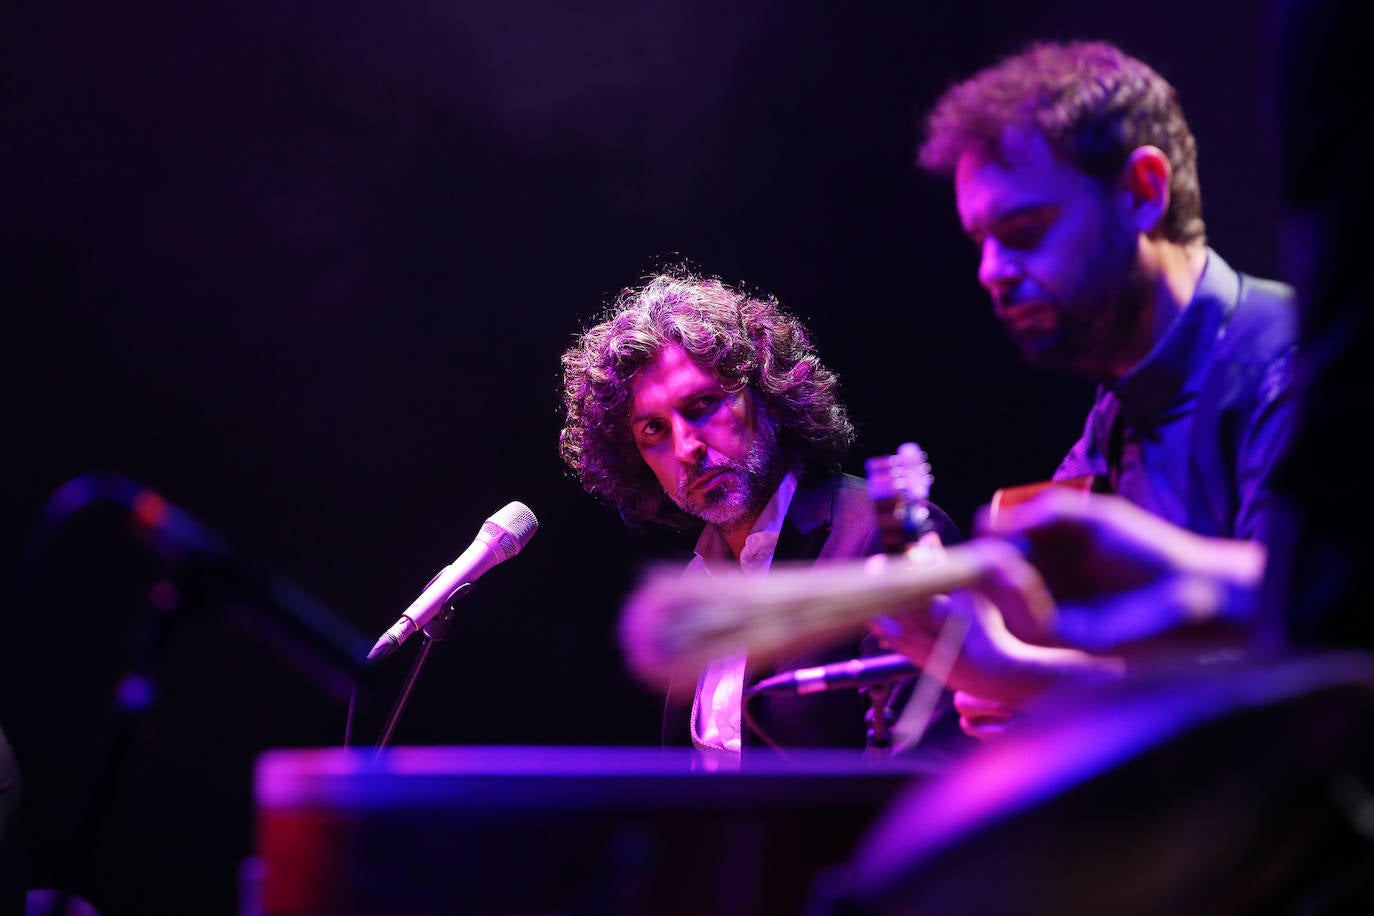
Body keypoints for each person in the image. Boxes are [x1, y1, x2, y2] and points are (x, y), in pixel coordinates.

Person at [902, 38, 1301, 735]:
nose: (990, 272)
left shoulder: (1289, 366)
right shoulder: (1118, 406)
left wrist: (1026, 679)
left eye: (1023, 231)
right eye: (980, 242)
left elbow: (1302, 671)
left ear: (1143, 193)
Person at [559, 268, 964, 765]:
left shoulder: (883, 540)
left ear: (768, 398)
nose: (686, 447)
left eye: (704, 405)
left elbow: (926, 775)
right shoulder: (700, 575)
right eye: (654, 430)